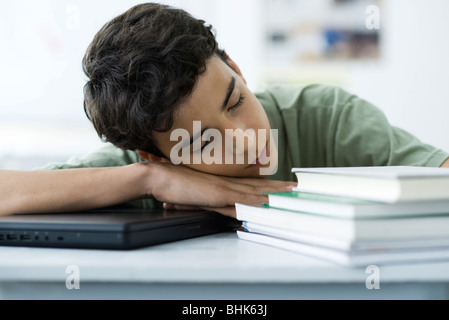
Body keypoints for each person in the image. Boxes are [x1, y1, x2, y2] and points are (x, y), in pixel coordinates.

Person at [0, 3, 448, 218]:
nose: (245, 138)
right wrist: (152, 180)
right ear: (156, 155)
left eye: (235, 101)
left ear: (235, 68)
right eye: (200, 142)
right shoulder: (137, 168)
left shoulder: (326, 117)